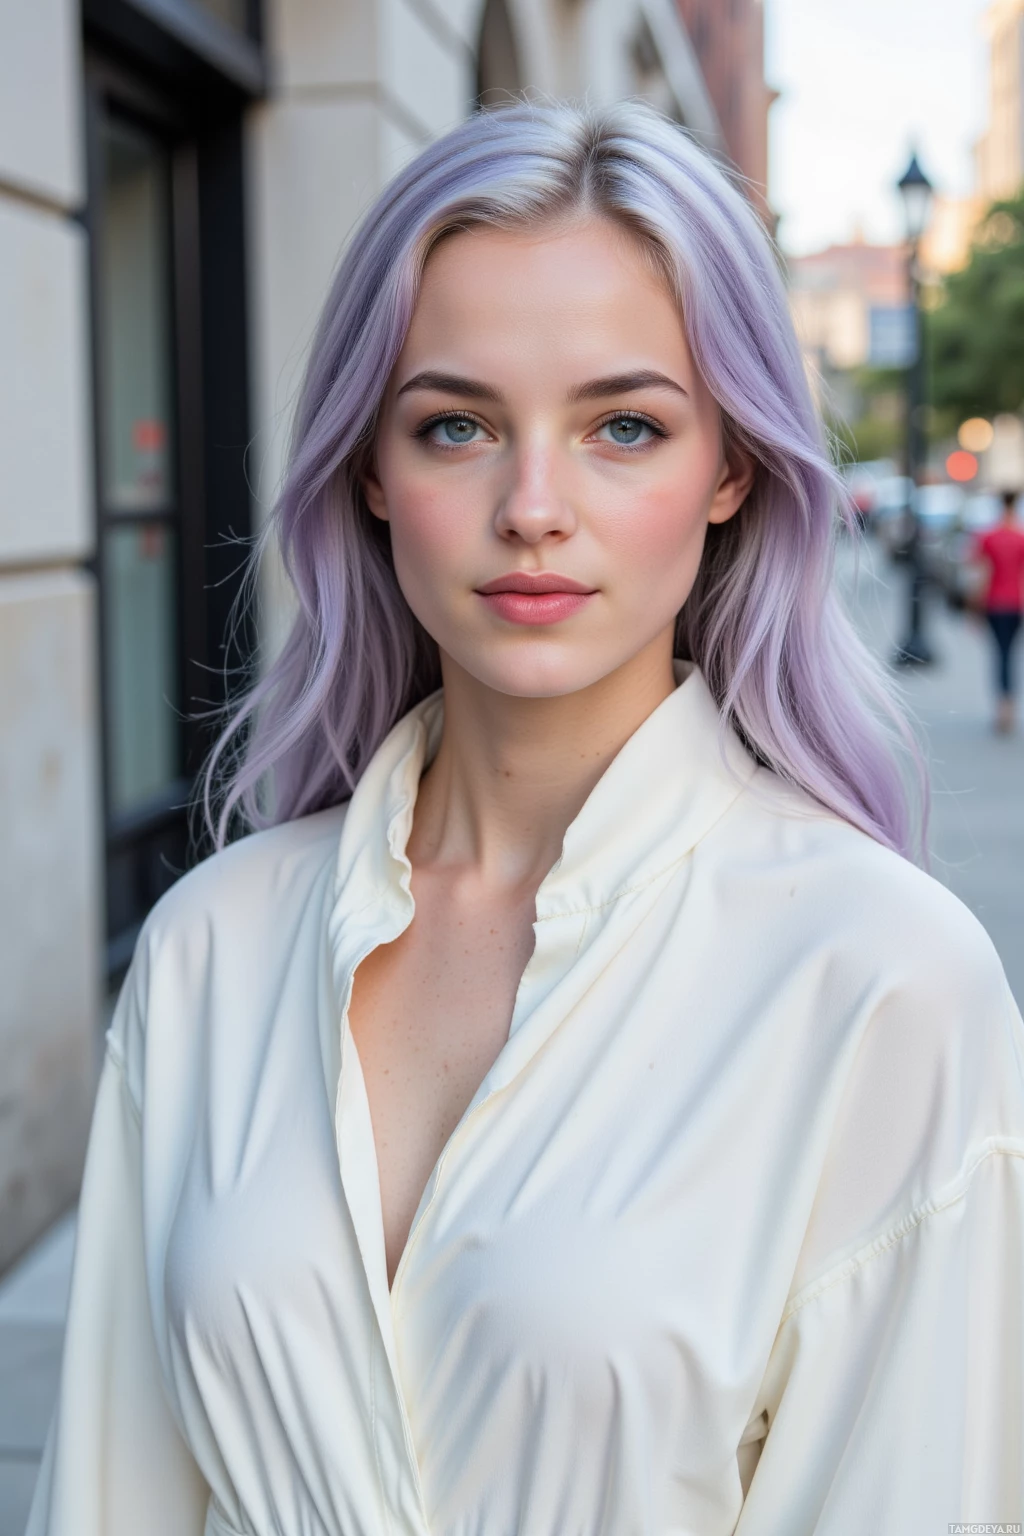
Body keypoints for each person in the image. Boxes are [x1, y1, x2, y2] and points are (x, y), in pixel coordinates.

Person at [28, 102, 1024, 1536]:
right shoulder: (210, 952)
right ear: (372, 471)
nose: (534, 506)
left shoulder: (887, 987)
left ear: (731, 467)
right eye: (457, 426)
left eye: (625, 425)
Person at [973, 487, 1024, 732]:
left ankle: (1002, 707)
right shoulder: (1021, 536)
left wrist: (975, 606)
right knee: (1010, 653)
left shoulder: (988, 536)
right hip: (1016, 603)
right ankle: (1009, 706)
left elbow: (982, 573)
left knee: (1000, 653)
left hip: (995, 603)